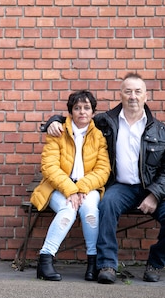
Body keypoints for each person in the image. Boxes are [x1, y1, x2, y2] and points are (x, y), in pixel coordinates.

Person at [44, 73, 165, 284]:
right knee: (107, 204)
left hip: (153, 189)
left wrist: (155, 195)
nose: (133, 96)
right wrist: (53, 121)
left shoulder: (163, 132)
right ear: (121, 95)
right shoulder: (106, 122)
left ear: (146, 96)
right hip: (122, 187)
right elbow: (79, 119)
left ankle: (155, 262)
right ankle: (107, 265)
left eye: (138, 92)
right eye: (128, 91)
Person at [31, 90, 110, 282]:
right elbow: (49, 167)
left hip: (87, 188)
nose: (82, 112)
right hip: (58, 188)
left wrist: (81, 188)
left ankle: (93, 264)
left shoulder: (99, 136)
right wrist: (71, 190)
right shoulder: (58, 132)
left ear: (93, 112)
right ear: (70, 111)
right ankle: (45, 259)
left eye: (86, 108)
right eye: (77, 108)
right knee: (68, 209)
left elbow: (103, 169)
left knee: (90, 210)